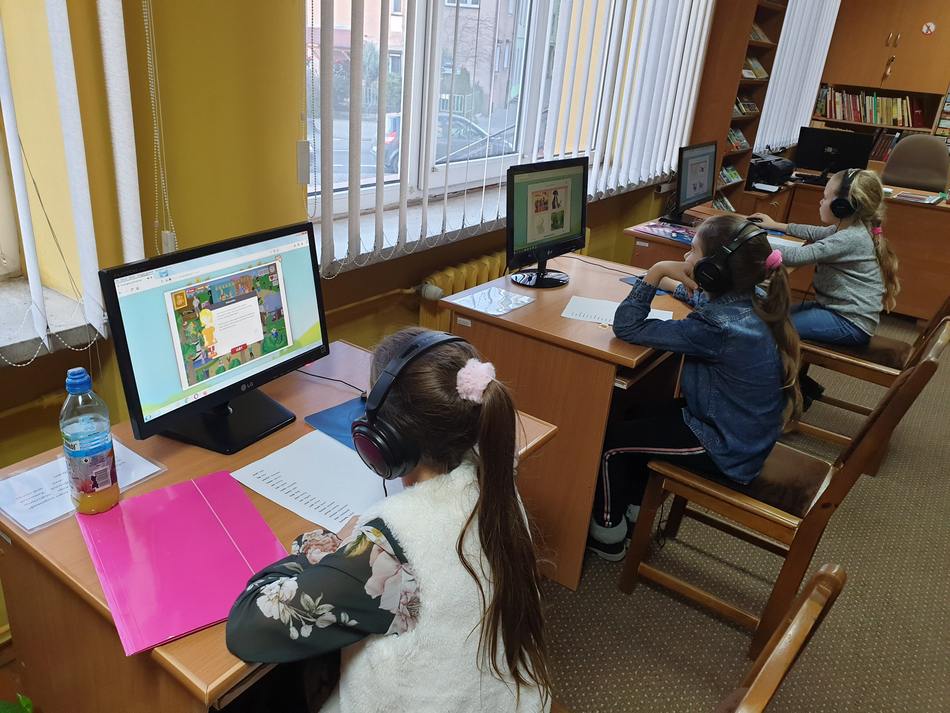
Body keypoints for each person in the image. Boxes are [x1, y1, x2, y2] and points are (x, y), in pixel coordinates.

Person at [226, 327, 551, 712]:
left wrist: (327, 546)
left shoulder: (391, 550)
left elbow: (247, 628)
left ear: (384, 438)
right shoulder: (494, 477)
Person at [587, 216, 801, 560]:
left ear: (712, 271)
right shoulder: (754, 298)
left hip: (727, 447)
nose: (685, 258)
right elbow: (708, 305)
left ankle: (608, 534)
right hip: (741, 428)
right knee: (638, 413)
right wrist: (679, 285)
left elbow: (627, 327)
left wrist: (655, 272)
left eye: (692, 251)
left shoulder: (715, 328)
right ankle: (636, 508)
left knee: (613, 442)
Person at [750, 169, 900, 403]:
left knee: (773, 328)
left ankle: (780, 393)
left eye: (826, 197)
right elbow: (816, 232)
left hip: (848, 322)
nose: (821, 202)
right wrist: (778, 225)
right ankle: (797, 384)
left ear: (843, 207)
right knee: (772, 314)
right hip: (837, 312)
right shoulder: (851, 227)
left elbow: (799, 256)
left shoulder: (849, 238)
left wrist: (748, 240)